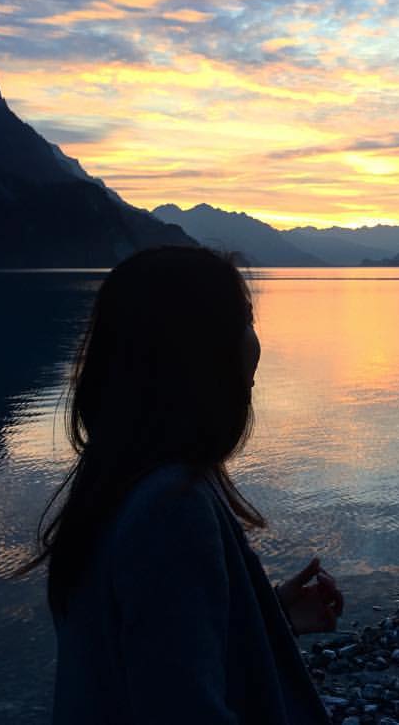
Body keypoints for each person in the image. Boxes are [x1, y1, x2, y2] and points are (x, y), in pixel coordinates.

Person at [20, 245, 343, 723]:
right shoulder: (171, 508)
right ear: (200, 353)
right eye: (246, 321)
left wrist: (267, 614)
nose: (255, 344)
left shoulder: (115, 482)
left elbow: (143, 650)